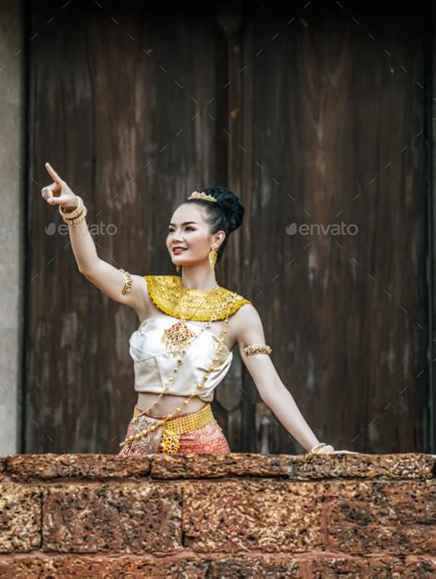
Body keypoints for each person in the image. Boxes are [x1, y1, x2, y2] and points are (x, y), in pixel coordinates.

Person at [41, 161, 357, 456]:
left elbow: (271, 387)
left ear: (216, 238)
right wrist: (74, 211)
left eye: (188, 229)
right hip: (140, 438)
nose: (176, 238)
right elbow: (92, 267)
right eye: (171, 229)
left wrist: (317, 449)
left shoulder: (238, 313)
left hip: (200, 444)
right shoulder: (149, 293)